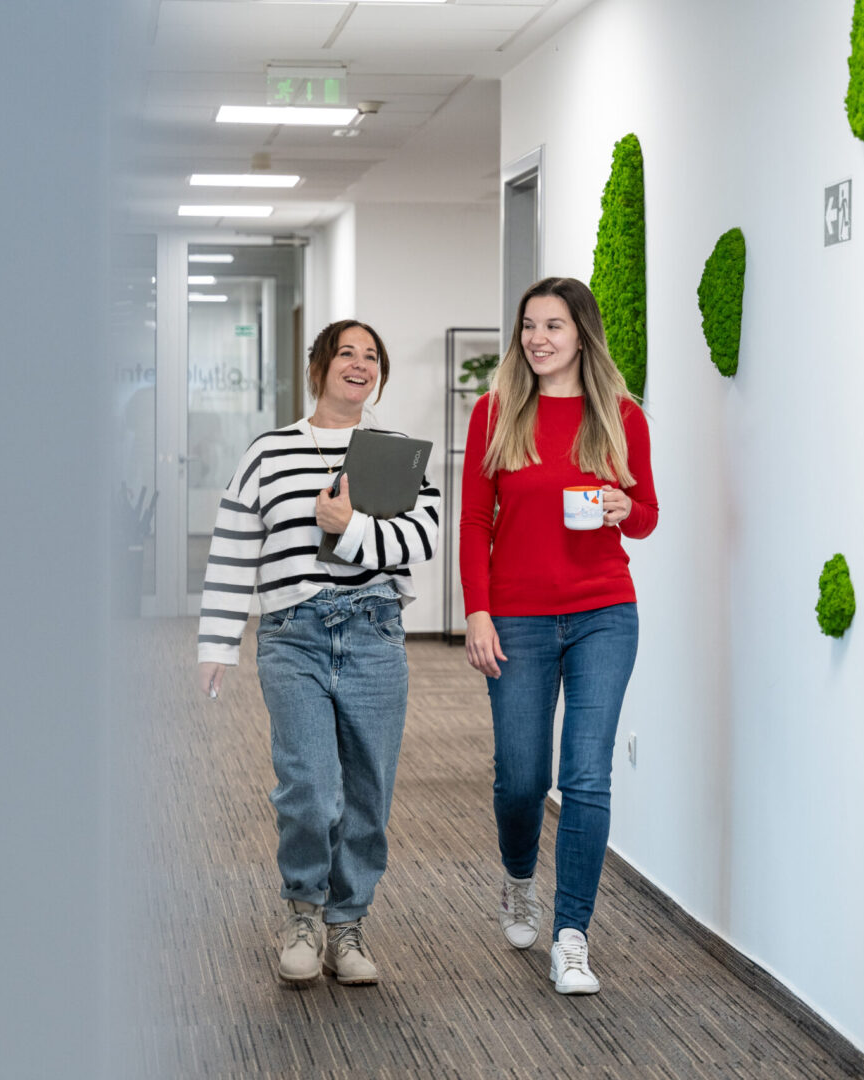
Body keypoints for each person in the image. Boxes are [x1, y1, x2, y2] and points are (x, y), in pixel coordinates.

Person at [197, 319, 440, 987]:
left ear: (378, 375)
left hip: (374, 631)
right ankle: (304, 910)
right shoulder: (269, 451)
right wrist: (217, 641)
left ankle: (347, 924)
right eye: (346, 353)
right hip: (292, 633)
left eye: (371, 356)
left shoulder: (395, 453)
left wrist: (351, 528)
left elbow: (423, 537)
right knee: (309, 788)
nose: (359, 365)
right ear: (320, 367)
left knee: (367, 791)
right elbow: (233, 548)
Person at [459, 277, 659, 995]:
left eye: (553, 325)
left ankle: (572, 936)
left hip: (604, 609)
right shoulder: (495, 412)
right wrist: (477, 611)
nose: (538, 338)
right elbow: (476, 523)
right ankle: (519, 879)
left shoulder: (621, 416)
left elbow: (646, 518)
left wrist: (619, 505)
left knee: (586, 776)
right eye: (529, 326)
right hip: (516, 616)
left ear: (582, 334)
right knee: (522, 780)